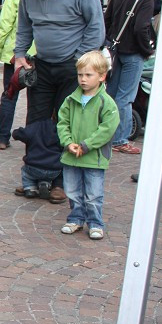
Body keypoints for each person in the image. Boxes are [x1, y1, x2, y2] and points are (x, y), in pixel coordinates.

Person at [14, 0, 105, 124]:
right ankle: (36, 150)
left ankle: (63, 150)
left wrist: (78, 59)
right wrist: (19, 54)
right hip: (42, 64)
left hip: (72, 66)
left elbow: (96, 28)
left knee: (66, 119)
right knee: (36, 118)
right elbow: (25, 24)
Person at [57, 51, 119, 240]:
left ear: (101, 76)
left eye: (88, 75)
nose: (83, 79)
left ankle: (95, 222)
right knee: (72, 191)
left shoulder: (106, 102)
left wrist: (87, 145)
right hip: (71, 156)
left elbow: (107, 129)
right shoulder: (70, 100)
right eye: (80, 75)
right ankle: (76, 218)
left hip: (94, 157)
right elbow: (62, 123)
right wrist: (68, 143)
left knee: (93, 193)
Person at [103, 0, 156, 155]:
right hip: (133, 52)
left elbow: (106, 21)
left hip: (115, 52)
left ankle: (106, 134)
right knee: (126, 97)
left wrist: (109, 44)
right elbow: (142, 28)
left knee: (112, 94)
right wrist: (147, 50)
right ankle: (120, 139)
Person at [0, 0, 36, 149]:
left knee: (9, 94)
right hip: (37, 53)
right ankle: (33, 137)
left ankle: (2, 137)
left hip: (14, 53)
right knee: (36, 99)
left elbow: (5, 24)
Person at [11, 119, 64, 202]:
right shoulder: (59, 129)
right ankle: (45, 184)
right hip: (54, 170)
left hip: (33, 167)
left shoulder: (35, 126)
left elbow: (19, 134)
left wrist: (15, 132)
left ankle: (30, 188)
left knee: (26, 172)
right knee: (56, 169)